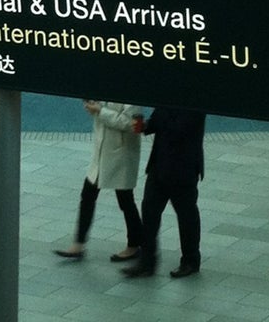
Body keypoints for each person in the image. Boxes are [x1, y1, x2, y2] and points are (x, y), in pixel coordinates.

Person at [54, 101, 143, 261]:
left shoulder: (132, 93)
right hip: (103, 151)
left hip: (121, 154)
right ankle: (78, 244)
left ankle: (134, 244)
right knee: (88, 195)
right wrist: (93, 106)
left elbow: (130, 124)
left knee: (125, 201)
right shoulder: (106, 87)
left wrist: (100, 111)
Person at [123, 107, 205, 279]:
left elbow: (178, 129)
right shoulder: (167, 101)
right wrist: (144, 125)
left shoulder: (196, 103)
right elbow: (155, 124)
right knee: (149, 214)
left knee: (186, 217)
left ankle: (190, 261)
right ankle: (147, 262)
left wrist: (158, 118)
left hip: (183, 171)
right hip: (158, 169)